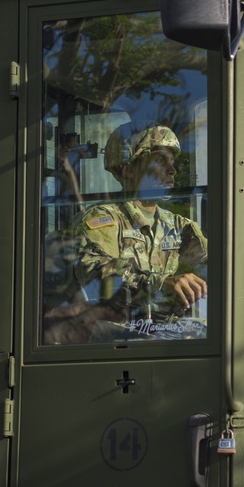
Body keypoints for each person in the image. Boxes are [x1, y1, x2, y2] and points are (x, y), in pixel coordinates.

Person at [72, 124, 209, 337]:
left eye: (172, 162)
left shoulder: (177, 225)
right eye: (161, 160)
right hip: (122, 336)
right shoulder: (104, 220)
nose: (173, 170)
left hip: (169, 330)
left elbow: (218, 264)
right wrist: (160, 284)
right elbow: (96, 276)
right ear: (128, 168)